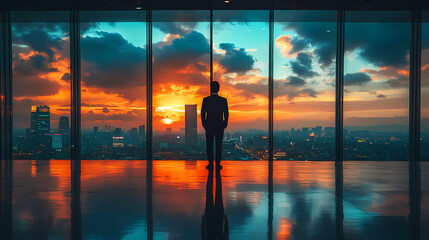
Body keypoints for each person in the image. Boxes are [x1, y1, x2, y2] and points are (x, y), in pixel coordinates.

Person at [201, 81, 229, 169]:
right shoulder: (223, 100)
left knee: (209, 144)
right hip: (219, 125)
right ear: (218, 89)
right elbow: (226, 113)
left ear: (211, 88)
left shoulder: (206, 100)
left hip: (209, 125)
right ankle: (218, 164)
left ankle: (210, 163)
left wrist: (204, 124)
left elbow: (202, 113)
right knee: (219, 144)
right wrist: (225, 124)